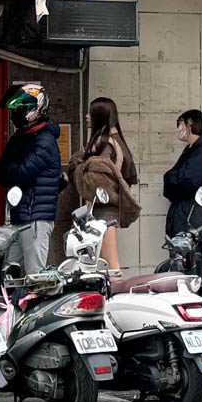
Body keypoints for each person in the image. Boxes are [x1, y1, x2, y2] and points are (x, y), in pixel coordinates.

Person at [62, 97, 138, 273]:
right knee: (104, 265)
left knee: (110, 266)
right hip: (106, 207)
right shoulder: (115, 140)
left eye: (91, 113)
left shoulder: (106, 144)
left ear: (100, 116)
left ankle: (116, 291)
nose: (87, 117)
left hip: (104, 209)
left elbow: (93, 182)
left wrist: (77, 165)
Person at [0, 84, 61, 278]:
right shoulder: (21, 138)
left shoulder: (45, 141)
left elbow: (20, 172)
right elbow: (0, 173)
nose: (15, 113)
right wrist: (12, 168)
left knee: (35, 275)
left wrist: (12, 168)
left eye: (19, 109)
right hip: (20, 216)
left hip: (36, 217)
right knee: (8, 274)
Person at [163, 109, 202, 270]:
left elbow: (186, 180)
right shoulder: (192, 149)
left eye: (180, 124)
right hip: (186, 214)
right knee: (182, 265)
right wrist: (171, 178)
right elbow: (173, 178)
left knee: (189, 267)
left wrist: (171, 178)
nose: (178, 129)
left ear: (189, 124)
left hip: (193, 218)